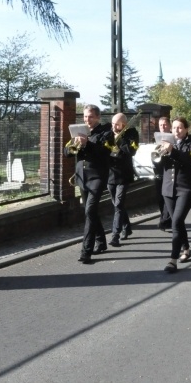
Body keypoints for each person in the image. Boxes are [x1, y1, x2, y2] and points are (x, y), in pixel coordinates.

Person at [65, 104, 112, 264]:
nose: (87, 119)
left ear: (98, 117)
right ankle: (101, 241)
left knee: (90, 211)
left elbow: (104, 152)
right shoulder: (79, 132)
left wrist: (88, 143)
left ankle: (86, 251)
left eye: (90, 116)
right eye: (85, 116)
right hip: (82, 176)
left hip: (97, 177)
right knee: (89, 211)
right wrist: (74, 145)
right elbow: (67, 153)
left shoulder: (106, 132)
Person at [156, 117, 191, 273]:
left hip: (185, 189)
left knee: (177, 221)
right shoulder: (166, 142)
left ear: (186, 129)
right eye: (174, 128)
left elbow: (188, 160)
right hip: (168, 188)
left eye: (180, 128)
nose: (177, 131)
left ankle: (172, 260)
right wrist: (159, 153)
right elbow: (159, 166)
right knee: (177, 222)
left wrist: (172, 150)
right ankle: (186, 248)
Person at [106, 113, 139, 248]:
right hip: (110, 174)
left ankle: (115, 235)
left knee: (119, 204)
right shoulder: (108, 133)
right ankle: (127, 226)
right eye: (113, 123)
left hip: (124, 175)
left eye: (117, 124)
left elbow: (132, 151)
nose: (113, 126)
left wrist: (119, 139)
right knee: (117, 204)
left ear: (124, 125)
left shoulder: (132, 134)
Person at [154, 116, 172, 231]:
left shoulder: (173, 138)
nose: (163, 127)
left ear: (169, 126)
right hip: (158, 171)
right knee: (160, 198)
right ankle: (165, 218)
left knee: (167, 197)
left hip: (169, 171)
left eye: (165, 124)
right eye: (160, 125)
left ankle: (164, 220)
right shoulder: (156, 139)